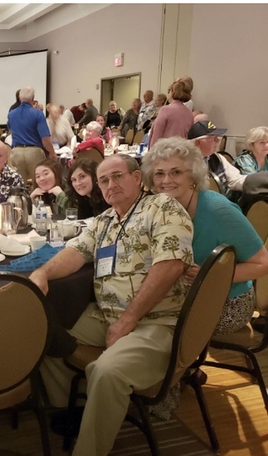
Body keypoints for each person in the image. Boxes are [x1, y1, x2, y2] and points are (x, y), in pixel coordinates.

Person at [30, 154, 193, 456]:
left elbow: (171, 265)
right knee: (42, 332)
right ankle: (80, 409)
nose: (110, 184)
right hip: (107, 316)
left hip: (158, 321)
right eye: (104, 180)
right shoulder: (103, 221)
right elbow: (74, 252)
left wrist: (128, 319)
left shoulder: (162, 208)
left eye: (117, 176)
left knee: (107, 371)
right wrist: (42, 272)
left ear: (137, 178)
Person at [142, 137, 268, 334]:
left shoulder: (217, 210)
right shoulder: (162, 207)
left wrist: (208, 275)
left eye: (176, 172)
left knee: (147, 323)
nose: (166, 180)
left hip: (227, 302)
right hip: (187, 295)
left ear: (192, 175)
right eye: (159, 174)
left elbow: (262, 263)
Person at [7, 87, 55, 184]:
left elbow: (10, 130)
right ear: (33, 98)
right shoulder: (37, 113)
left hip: (16, 152)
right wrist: (52, 152)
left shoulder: (11, 114)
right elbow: (45, 137)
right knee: (38, 183)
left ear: (19, 98)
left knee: (19, 185)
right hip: (34, 152)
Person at [187, 120, 246, 195]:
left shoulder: (217, 158)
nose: (218, 140)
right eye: (213, 138)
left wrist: (258, 181)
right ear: (198, 142)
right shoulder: (186, 163)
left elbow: (235, 179)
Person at [148, 80, 194, 148]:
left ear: (172, 92)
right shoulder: (189, 113)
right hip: (181, 150)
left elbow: (157, 134)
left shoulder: (165, 110)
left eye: (169, 91)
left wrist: (152, 152)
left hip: (165, 151)